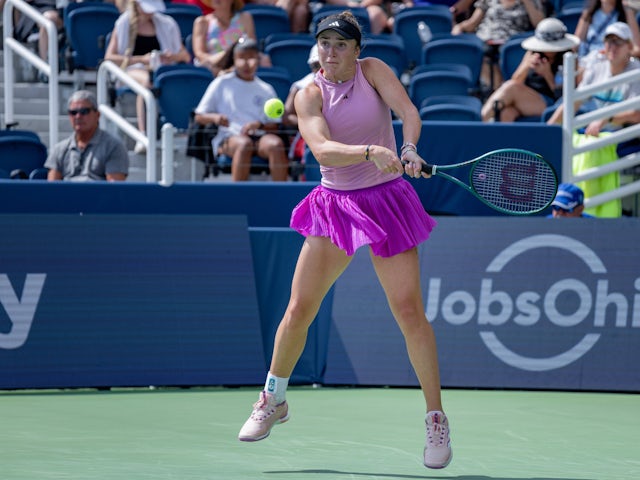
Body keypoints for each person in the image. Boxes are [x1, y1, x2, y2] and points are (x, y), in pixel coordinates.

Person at [237, 11, 453, 470]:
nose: (330, 52)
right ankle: (273, 398)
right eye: (324, 44)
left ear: (357, 49)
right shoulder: (308, 94)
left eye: (340, 44)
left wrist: (408, 147)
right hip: (336, 203)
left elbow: (408, 114)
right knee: (299, 309)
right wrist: (372, 152)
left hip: (387, 201)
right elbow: (321, 149)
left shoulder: (374, 71)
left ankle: (436, 418)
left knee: (409, 310)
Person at [548, 21, 640, 217]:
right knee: (571, 141)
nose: (611, 47)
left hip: (625, 136)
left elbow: (636, 114)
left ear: (629, 47)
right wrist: (549, 129)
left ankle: (590, 211)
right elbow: (573, 103)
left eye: (618, 42)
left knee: (590, 147)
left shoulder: (636, 72)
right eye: (608, 42)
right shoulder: (597, 67)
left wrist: (606, 119)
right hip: (595, 133)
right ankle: (575, 208)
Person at [194, 37, 290, 181]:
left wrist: (258, 125)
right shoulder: (221, 83)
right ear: (234, 59)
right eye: (241, 58)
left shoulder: (266, 89)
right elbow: (199, 116)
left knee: (275, 144)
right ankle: (238, 197)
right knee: (244, 144)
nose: (246, 63)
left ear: (258, 59)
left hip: (259, 137)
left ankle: (284, 197)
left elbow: (274, 125)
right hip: (228, 138)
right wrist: (215, 118)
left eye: (251, 57)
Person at [104, 0, 191, 154]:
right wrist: (141, 60)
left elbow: (185, 56)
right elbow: (109, 58)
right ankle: (143, 135)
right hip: (129, 71)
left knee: (164, 81)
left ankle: (179, 131)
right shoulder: (123, 23)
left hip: (159, 72)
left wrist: (171, 57)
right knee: (146, 80)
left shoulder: (167, 24)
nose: (150, 12)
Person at [481, 18, 580, 122]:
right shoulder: (532, 53)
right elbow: (517, 80)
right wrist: (527, 66)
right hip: (527, 97)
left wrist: (547, 74)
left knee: (511, 87)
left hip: (553, 104)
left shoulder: (569, 57)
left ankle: (481, 121)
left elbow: (563, 95)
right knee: (507, 113)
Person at [452, 0, 545, 89]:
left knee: (508, 52)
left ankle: (504, 91)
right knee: (482, 53)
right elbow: (472, 24)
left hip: (512, 41)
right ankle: (499, 90)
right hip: (487, 38)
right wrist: (459, 27)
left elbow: (540, 25)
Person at [45, 90, 129, 181]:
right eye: (73, 112)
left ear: (97, 115)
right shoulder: (59, 150)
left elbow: (115, 190)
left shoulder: (113, 147)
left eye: (84, 111)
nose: (78, 116)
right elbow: (51, 189)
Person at [191, 0, 270, 76]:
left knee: (264, 60)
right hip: (213, 67)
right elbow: (200, 54)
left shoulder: (245, 18)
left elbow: (251, 46)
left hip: (240, 65)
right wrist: (220, 63)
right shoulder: (202, 22)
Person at [575, 0, 640, 65]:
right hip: (586, 62)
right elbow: (575, 44)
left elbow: (636, 49)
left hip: (611, 64)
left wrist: (611, 54)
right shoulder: (589, 13)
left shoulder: (626, 14)